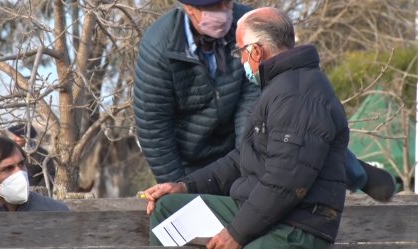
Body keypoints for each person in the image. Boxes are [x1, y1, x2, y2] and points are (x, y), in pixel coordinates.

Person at [142, 7, 348, 249]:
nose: (239, 60)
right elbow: (242, 159)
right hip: (264, 209)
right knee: (167, 208)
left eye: (240, 52)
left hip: (297, 223)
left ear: (257, 51)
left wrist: (237, 233)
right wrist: (184, 186)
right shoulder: (278, 88)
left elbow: (286, 182)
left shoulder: (298, 94)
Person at [133, 0, 396, 202]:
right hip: (193, 155)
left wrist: (250, 176)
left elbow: (253, 104)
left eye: (228, 2)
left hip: (244, 138)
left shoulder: (248, 26)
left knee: (300, 129)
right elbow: (153, 127)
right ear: (189, 9)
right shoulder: (159, 47)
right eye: (215, 6)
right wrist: (179, 188)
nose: (225, 12)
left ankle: (357, 173)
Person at [7, 123, 56, 192]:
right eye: (14, 135)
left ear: (26, 138)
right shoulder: (10, 153)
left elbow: (50, 174)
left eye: (17, 136)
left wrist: (37, 190)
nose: (14, 138)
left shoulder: (42, 154)